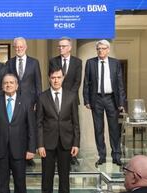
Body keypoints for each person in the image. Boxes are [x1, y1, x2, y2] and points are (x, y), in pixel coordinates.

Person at [0, 73, 36, 193]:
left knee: (20, 184)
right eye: (5, 83)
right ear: (2, 86)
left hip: (19, 150)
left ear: (17, 85)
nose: (8, 85)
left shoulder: (26, 101)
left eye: (11, 82)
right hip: (0, 150)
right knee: (2, 185)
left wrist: (31, 149)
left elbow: (31, 126)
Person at [83, 39, 126, 166]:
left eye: (103, 48)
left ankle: (116, 156)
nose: (100, 51)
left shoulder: (115, 63)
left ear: (108, 50)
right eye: (98, 49)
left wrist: (121, 102)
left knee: (114, 129)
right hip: (96, 99)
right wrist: (86, 100)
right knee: (98, 129)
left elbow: (120, 83)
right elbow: (86, 83)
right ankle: (101, 156)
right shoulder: (90, 63)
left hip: (112, 99)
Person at [37, 65, 80, 193]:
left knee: (64, 179)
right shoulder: (42, 97)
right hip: (47, 143)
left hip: (66, 142)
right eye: (53, 77)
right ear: (49, 78)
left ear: (63, 78)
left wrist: (76, 143)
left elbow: (75, 122)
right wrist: (40, 145)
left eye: (58, 77)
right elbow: (38, 123)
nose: (56, 80)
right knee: (46, 179)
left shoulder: (71, 96)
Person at [48, 37, 82, 165]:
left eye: (63, 46)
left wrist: (69, 97)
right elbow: (52, 79)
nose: (60, 48)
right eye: (59, 46)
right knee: (57, 124)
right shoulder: (53, 61)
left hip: (71, 99)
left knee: (72, 125)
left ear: (70, 47)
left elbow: (77, 81)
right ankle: (57, 154)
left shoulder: (77, 62)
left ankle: (72, 154)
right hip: (56, 98)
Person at [6, 37, 42, 106]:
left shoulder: (34, 62)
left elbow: (38, 84)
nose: (19, 49)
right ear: (14, 48)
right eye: (16, 47)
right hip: (14, 100)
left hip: (31, 100)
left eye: (21, 47)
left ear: (25, 47)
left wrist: (38, 102)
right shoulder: (9, 63)